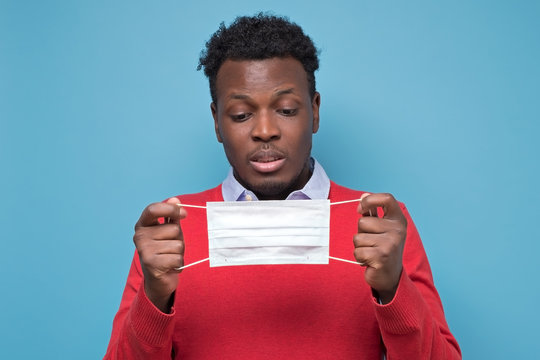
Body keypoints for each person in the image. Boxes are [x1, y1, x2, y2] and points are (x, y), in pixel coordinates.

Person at [104, 13, 461, 359]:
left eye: (287, 109)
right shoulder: (171, 229)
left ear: (315, 111)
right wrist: (154, 298)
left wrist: (393, 287)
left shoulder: (378, 223)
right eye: (241, 115)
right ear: (216, 122)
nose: (264, 130)